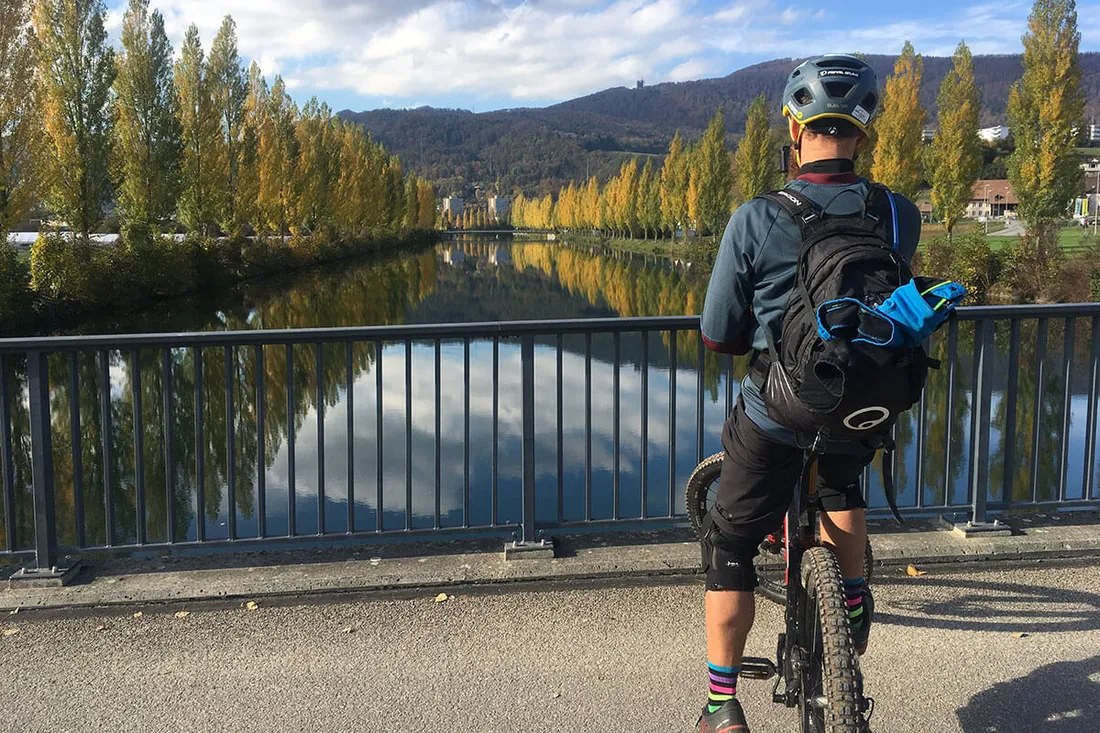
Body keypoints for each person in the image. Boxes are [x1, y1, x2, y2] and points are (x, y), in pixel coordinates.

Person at [695, 54, 921, 733]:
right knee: (842, 486)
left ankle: (719, 705)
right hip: (864, 398)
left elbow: (718, 334)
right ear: (863, 130)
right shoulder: (898, 213)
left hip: (779, 410)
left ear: (794, 128)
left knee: (730, 541)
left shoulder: (757, 218)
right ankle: (850, 601)